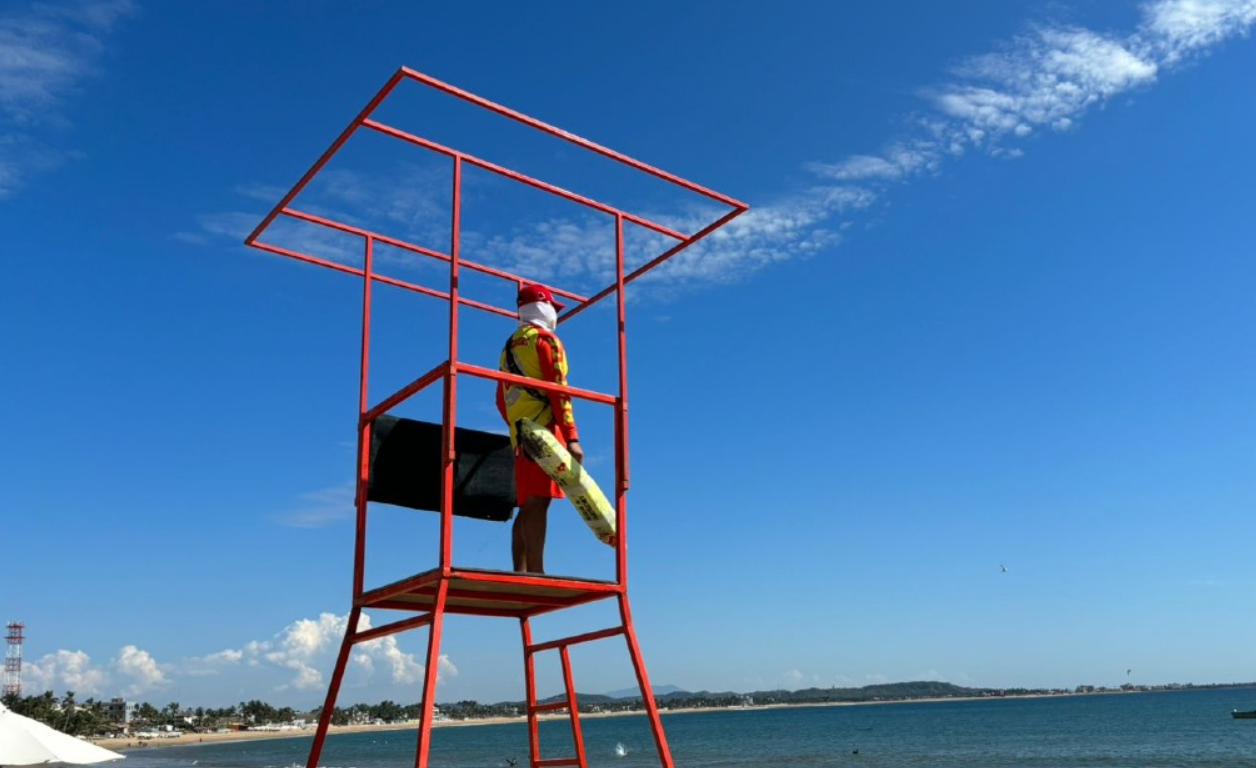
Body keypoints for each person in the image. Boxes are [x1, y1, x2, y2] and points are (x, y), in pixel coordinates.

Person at [496, 283, 583, 574]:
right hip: (543, 429)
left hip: (519, 433)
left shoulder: (508, 347)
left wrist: (516, 424)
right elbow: (559, 389)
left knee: (528, 503)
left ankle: (520, 570)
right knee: (539, 501)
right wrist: (572, 437)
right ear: (543, 307)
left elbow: (500, 398)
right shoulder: (547, 341)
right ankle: (535, 570)